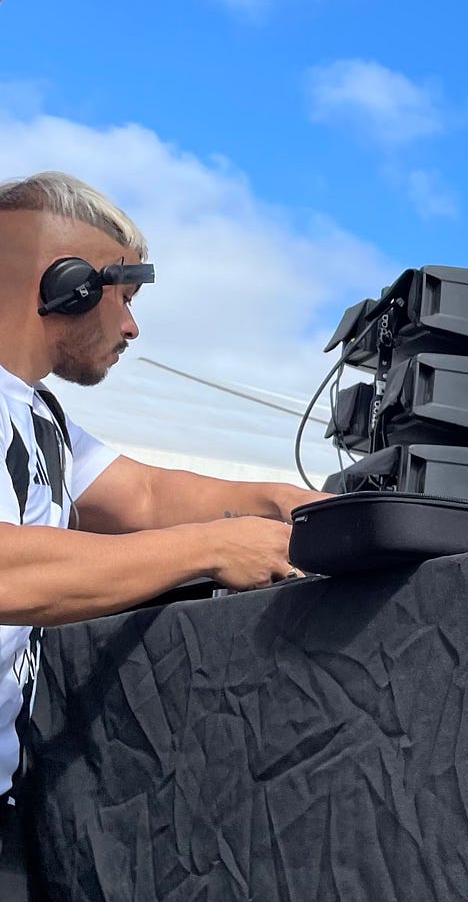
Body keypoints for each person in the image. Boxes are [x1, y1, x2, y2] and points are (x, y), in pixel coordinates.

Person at [0, 172, 328, 897]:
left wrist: (285, 501)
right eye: (125, 297)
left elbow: (148, 495)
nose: (132, 327)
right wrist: (213, 548)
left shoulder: (38, 416)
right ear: (69, 285)